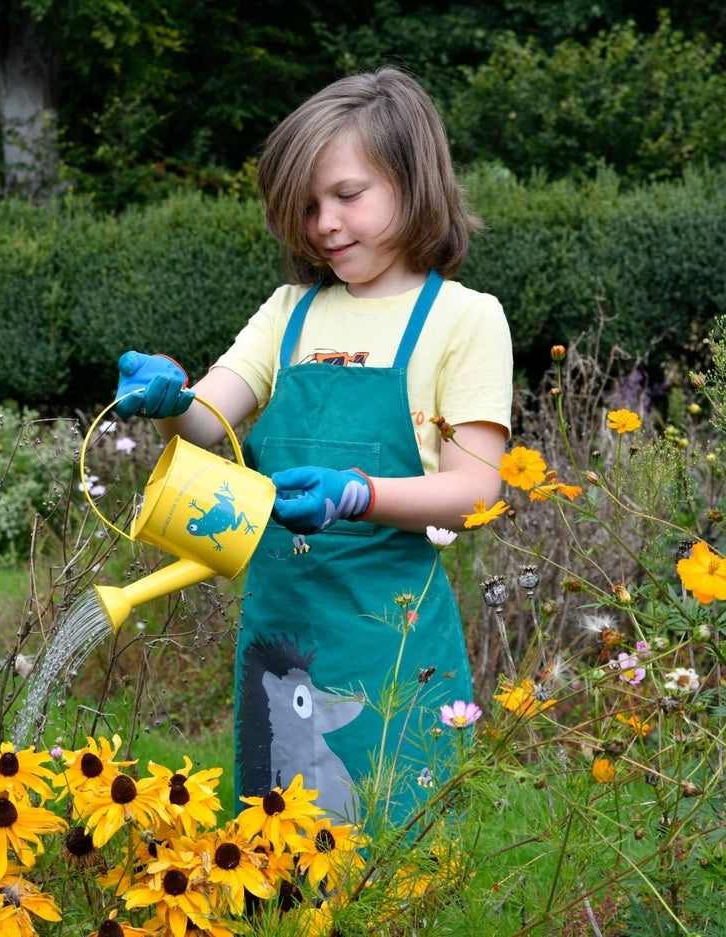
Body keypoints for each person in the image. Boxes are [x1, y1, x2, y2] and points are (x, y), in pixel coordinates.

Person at [113, 67, 513, 826]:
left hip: (391, 643)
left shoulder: (464, 320)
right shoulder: (291, 311)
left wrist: (358, 492)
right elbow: (208, 422)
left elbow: (476, 493)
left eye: (347, 195)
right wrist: (170, 401)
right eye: (304, 206)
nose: (323, 222)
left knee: (396, 856)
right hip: (282, 632)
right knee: (278, 851)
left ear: (414, 179)